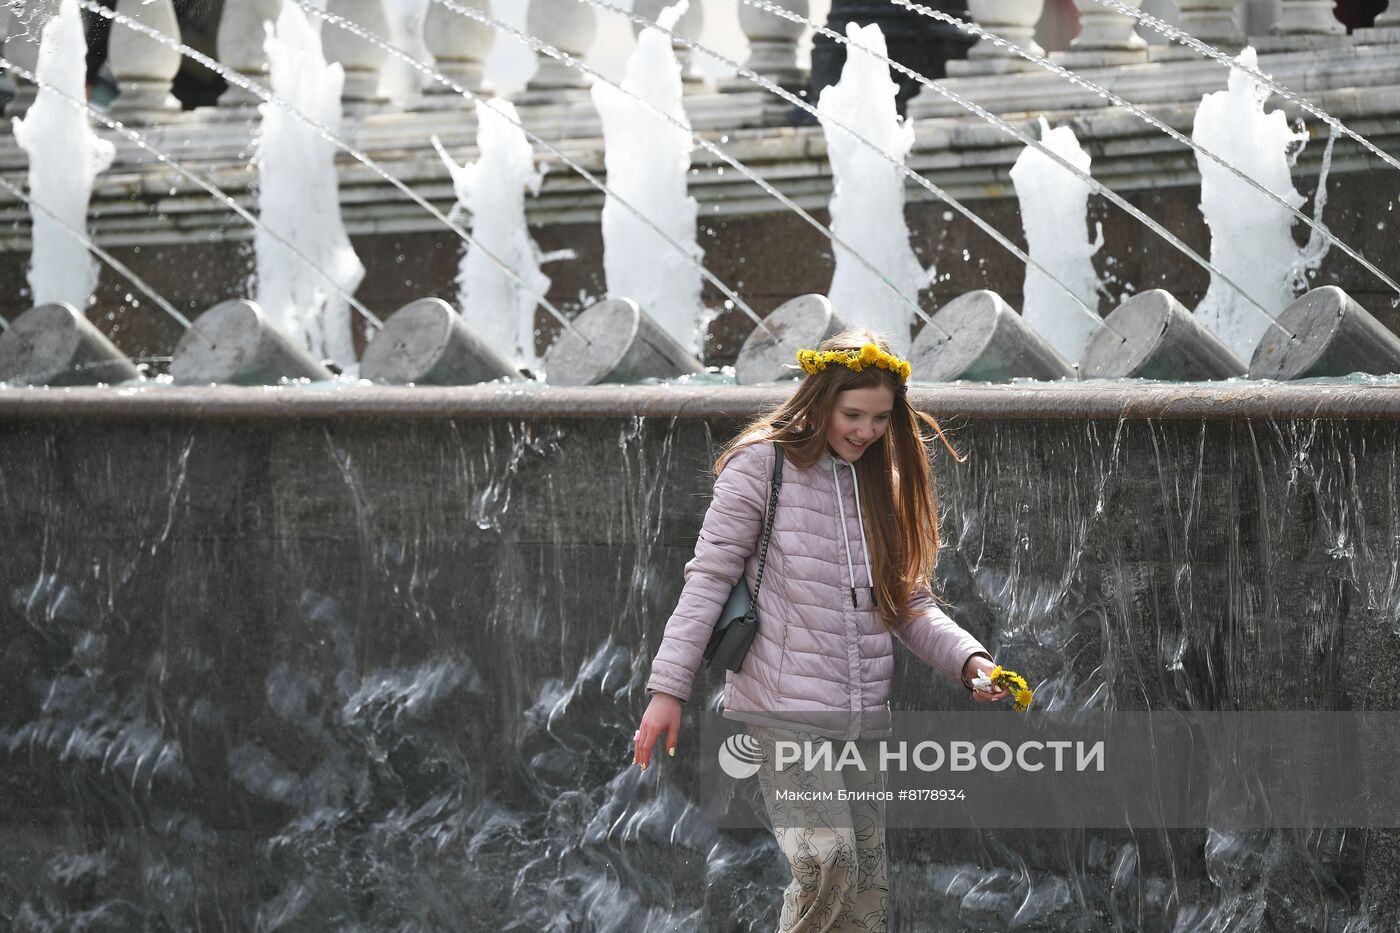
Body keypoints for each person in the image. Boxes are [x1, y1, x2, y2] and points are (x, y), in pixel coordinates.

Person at [632, 329, 1010, 932]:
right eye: (852, 414)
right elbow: (706, 580)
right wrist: (667, 691)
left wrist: (971, 663)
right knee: (824, 860)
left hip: (862, 718)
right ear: (820, 399)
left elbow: (909, 607)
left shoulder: (881, 483)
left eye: (881, 418)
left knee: (865, 894)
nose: (865, 431)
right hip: (783, 711)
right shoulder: (761, 465)